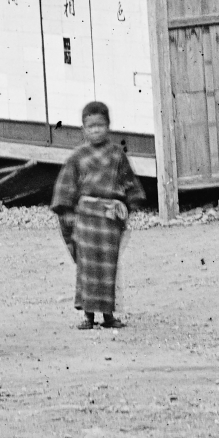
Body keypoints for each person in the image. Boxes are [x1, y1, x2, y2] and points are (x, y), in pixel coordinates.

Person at [50, 101, 145, 330]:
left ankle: (109, 315)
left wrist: (132, 203)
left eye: (100, 125)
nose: (96, 130)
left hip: (109, 220)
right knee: (86, 267)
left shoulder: (116, 155)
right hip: (85, 219)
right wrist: (67, 212)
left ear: (108, 126)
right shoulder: (77, 157)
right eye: (90, 127)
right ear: (83, 128)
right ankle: (89, 316)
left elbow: (128, 181)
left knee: (108, 267)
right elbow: (66, 186)